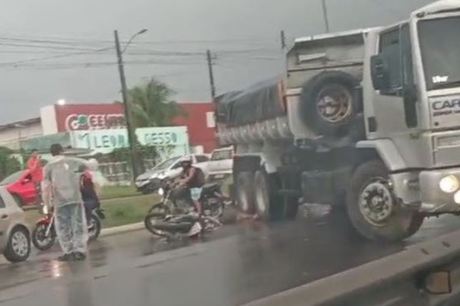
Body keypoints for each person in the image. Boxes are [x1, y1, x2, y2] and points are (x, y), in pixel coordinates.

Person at [42, 144, 88, 261]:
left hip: (60, 200)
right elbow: (89, 165)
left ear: (51, 153)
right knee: (77, 224)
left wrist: (46, 203)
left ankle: (68, 251)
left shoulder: (48, 167)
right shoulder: (72, 162)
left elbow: (45, 187)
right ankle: (79, 250)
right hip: (75, 198)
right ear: (62, 151)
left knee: (62, 226)